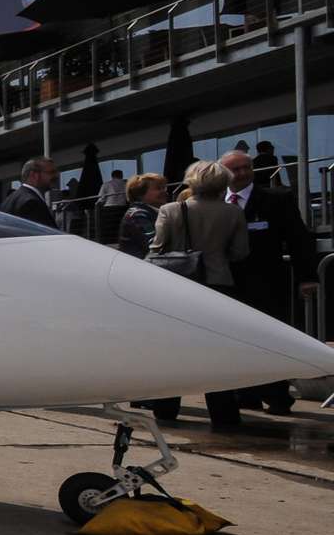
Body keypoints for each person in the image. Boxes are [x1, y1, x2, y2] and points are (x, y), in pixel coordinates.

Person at [150, 160, 249, 429]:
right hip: (219, 283)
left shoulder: (171, 210)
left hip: (178, 285)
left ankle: (166, 408)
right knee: (218, 353)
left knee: (172, 349)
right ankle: (224, 413)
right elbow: (241, 252)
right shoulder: (233, 213)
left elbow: (157, 248)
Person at [221, 148, 318, 414]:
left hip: (267, 285)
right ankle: (246, 394)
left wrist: (307, 277)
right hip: (227, 287)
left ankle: (277, 396)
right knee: (236, 342)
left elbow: (298, 238)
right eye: (235, 169)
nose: (242, 174)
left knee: (269, 340)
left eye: (246, 168)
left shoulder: (277, 199)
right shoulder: (215, 200)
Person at [0, 157, 58, 228]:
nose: (56, 176)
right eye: (51, 172)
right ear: (33, 175)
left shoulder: (9, 200)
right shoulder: (31, 202)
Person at [117, 173, 166, 259]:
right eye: (158, 188)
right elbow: (154, 245)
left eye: (164, 188)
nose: (164, 191)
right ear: (140, 194)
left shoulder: (153, 212)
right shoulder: (138, 215)